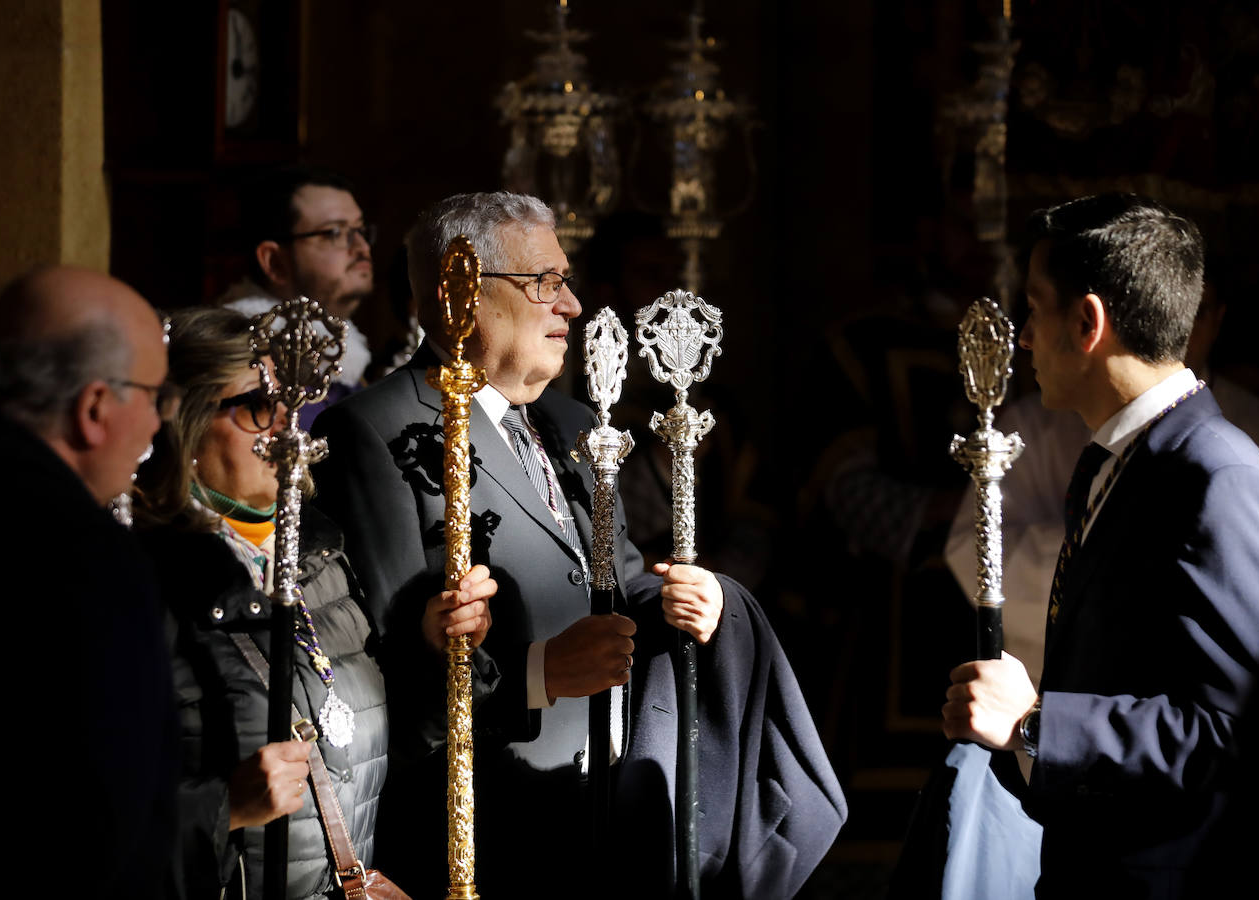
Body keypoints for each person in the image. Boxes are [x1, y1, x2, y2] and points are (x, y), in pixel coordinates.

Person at [312, 192, 845, 898]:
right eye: (545, 284)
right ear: (460, 292)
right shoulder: (375, 429)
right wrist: (540, 672)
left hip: (606, 811)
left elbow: (615, 574)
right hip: (487, 831)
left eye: (566, 281)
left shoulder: (568, 422)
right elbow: (384, 658)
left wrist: (696, 598)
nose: (571, 306)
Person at [940, 194, 1259, 898]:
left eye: (1034, 309)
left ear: (1087, 323)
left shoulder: (1217, 473)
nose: (1025, 338)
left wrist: (1037, 724)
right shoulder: (1122, 461)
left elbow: (1238, 732)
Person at [132, 307, 494, 899]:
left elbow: (366, 753)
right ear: (186, 423)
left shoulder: (319, 557)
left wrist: (436, 655)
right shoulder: (144, 581)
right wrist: (224, 808)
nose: (285, 427)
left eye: (291, 403)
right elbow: (81, 827)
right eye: (256, 406)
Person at [0, 266, 180, 898]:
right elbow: (103, 825)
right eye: (154, 395)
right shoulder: (86, 561)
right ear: (93, 408)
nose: (159, 423)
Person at [220, 165, 376, 428]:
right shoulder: (246, 364)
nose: (362, 247)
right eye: (334, 233)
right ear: (274, 262)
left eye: (360, 230)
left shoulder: (351, 360)